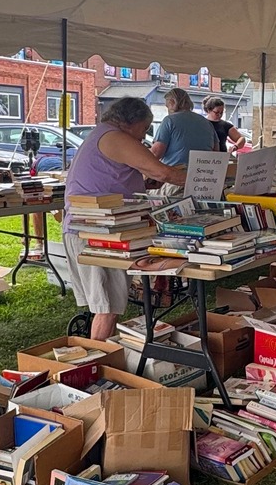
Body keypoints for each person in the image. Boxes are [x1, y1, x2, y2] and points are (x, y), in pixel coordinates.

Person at [61, 98, 186, 341]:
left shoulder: (105, 134)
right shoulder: (114, 137)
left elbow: (121, 174)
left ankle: (100, 355)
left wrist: (143, 182)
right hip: (93, 231)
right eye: (144, 128)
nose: (144, 136)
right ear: (132, 122)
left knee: (108, 305)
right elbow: (162, 171)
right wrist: (204, 178)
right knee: (106, 308)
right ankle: (95, 361)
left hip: (99, 228)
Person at [150, 87, 220, 168]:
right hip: (203, 175)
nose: (167, 110)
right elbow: (216, 152)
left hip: (175, 175)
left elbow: (156, 153)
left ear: (172, 102)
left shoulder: (169, 121)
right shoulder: (207, 123)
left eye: (167, 106)